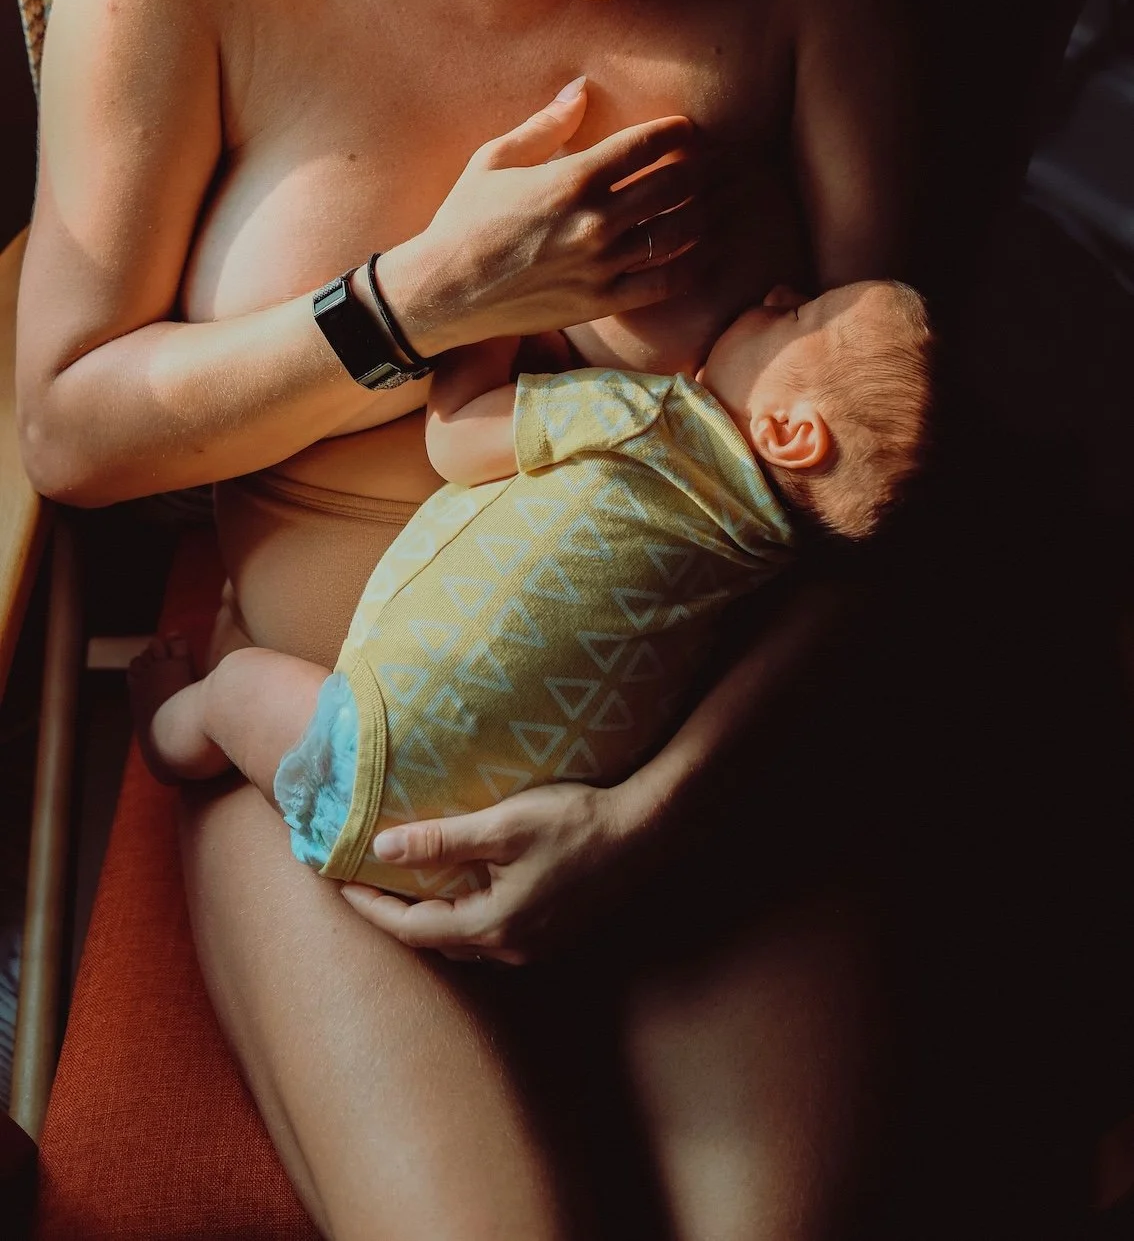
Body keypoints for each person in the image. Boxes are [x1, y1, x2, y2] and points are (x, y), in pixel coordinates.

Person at [15, 0, 930, 1235]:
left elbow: (886, 497)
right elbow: (66, 426)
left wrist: (656, 814)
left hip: (709, 746)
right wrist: (421, 301)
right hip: (344, 770)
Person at [127, 278, 934, 904]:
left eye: (797, 319)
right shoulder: (763, 566)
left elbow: (455, 436)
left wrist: (500, 318)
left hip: (359, 757)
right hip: (482, 858)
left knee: (229, 692)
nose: (776, 296)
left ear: (788, 432)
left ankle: (167, 726)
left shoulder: (649, 418)